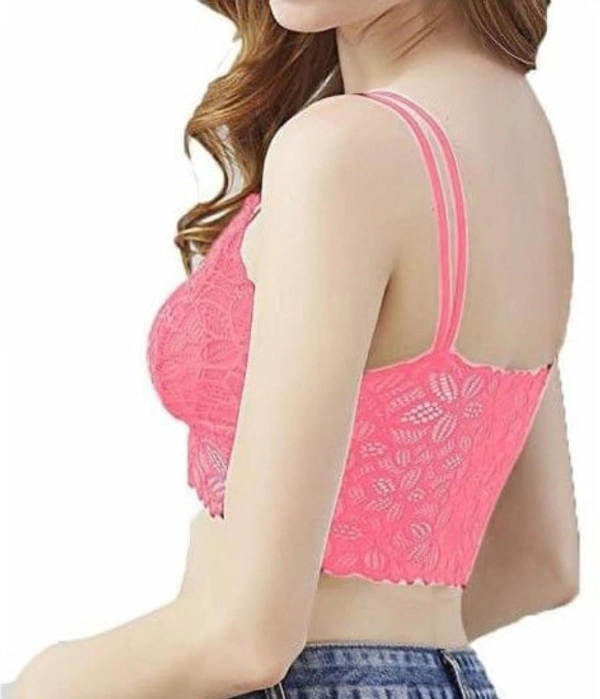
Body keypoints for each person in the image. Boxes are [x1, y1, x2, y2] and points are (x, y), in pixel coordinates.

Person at [8, 1, 579, 698]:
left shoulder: (347, 151)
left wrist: (42, 681)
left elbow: (245, 639)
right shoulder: (519, 139)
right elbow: (538, 559)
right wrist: (385, 660)